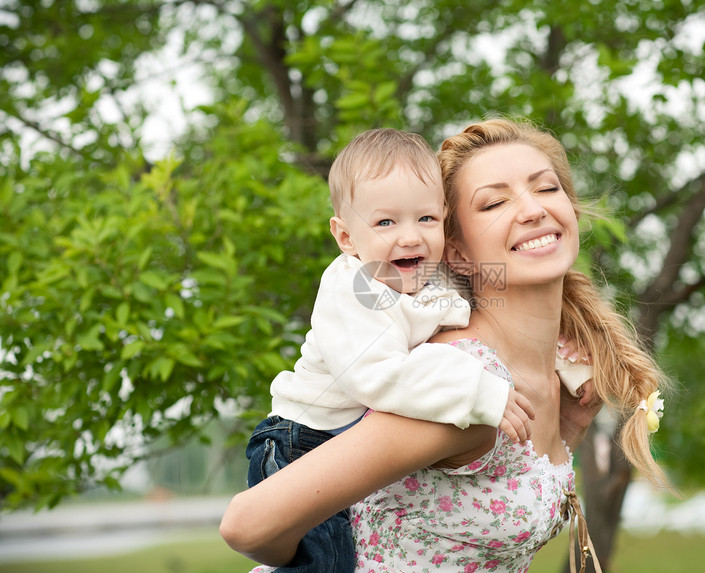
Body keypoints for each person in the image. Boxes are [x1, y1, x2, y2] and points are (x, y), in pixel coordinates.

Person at [221, 118, 671, 572]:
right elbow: (247, 525)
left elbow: (486, 523)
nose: (533, 209)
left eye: (547, 188)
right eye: (494, 201)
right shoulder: (456, 383)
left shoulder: (552, 387)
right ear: (454, 249)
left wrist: (567, 427)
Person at [243, 128, 538, 572]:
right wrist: (477, 392)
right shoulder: (350, 289)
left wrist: (567, 355)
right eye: (385, 222)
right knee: (330, 562)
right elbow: (379, 377)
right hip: (297, 444)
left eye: (426, 219)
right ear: (345, 237)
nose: (410, 237)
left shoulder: (424, 278)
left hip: (344, 440)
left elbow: (494, 318)